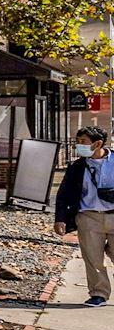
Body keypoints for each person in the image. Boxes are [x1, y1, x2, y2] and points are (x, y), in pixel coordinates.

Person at [54, 124, 114, 306]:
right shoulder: (77, 167)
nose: (79, 145)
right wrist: (60, 218)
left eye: (83, 142)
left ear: (98, 144)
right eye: (78, 141)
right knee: (93, 258)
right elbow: (64, 193)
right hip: (89, 217)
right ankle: (99, 293)